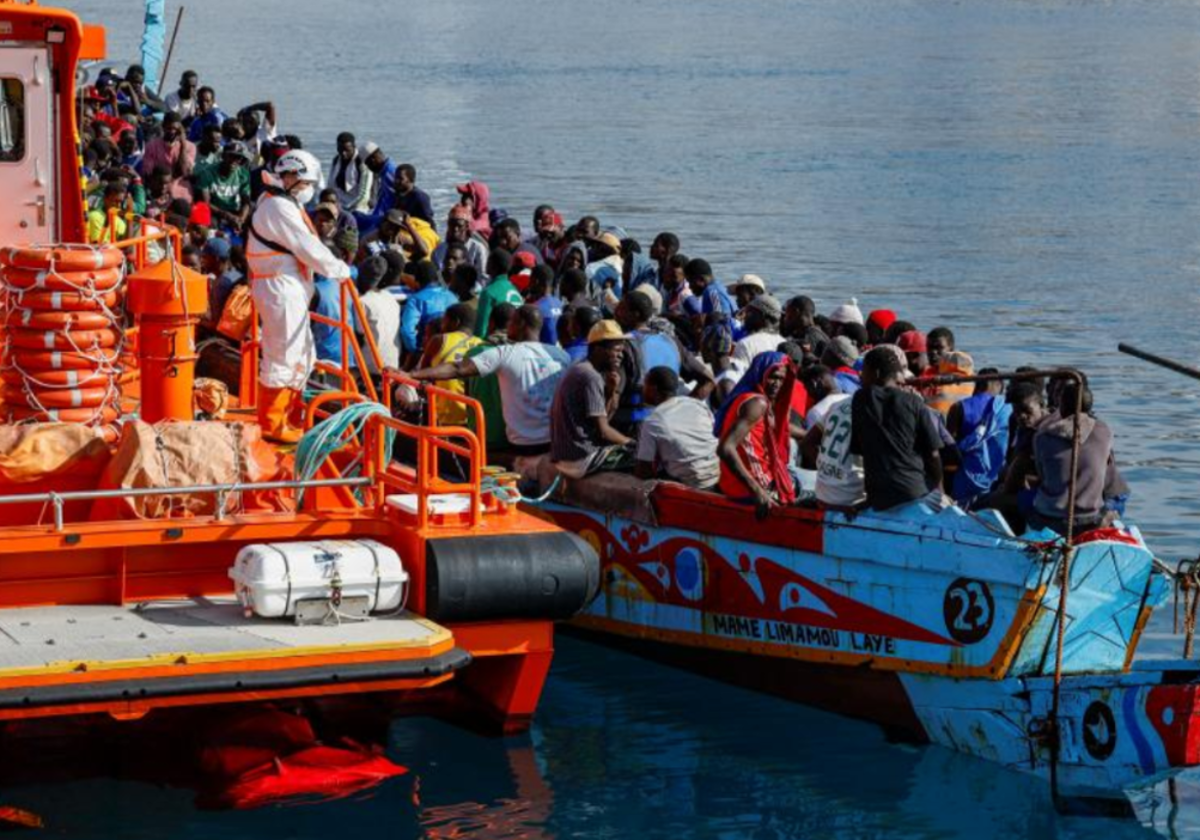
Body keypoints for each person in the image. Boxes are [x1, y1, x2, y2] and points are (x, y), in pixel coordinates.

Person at [246, 149, 351, 442]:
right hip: (280, 289)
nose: (308, 191)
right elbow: (307, 246)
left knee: (303, 354)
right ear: (290, 176)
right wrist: (338, 269)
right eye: (305, 184)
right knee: (283, 356)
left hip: (287, 288)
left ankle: (288, 416)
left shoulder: (282, 202)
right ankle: (271, 422)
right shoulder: (278, 207)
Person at [412, 305, 570, 456]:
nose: (508, 327)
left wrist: (412, 375)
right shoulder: (561, 356)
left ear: (521, 324)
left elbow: (457, 369)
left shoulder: (506, 353)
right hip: (555, 445)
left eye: (512, 322)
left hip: (522, 447)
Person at [850, 346, 944, 511]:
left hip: (879, 499)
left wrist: (870, 499)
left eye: (864, 371)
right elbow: (933, 455)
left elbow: (864, 453)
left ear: (876, 374)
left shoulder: (860, 400)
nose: (860, 376)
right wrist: (937, 489)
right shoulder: (914, 402)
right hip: (914, 494)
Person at [1030, 380, 1127, 536]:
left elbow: (1042, 475)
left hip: (1051, 518)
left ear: (1062, 406)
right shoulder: (1105, 431)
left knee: (1021, 501)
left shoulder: (1042, 436)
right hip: (1091, 518)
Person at [550, 320, 636, 479]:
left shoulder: (582, 368)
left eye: (622, 351)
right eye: (616, 350)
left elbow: (604, 421)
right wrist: (631, 443)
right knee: (643, 459)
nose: (621, 355)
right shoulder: (590, 376)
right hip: (581, 458)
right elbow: (604, 432)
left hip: (569, 455)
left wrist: (612, 391)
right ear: (597, 349)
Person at [715, 352, 797, 516]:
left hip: (734, 482)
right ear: (761, 374)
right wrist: (757, 491)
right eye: (773, 377)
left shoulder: (750, 398)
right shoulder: (757, 403)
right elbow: (725, 448)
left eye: (781, 379)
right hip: (751, 487)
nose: (777, 384)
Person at [635, 367, 720, 490]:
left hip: (694, 486)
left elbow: (643, 472)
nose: (642, 389)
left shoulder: (653, 421)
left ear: (653, 389)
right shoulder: (697, 404)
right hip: (719, 474)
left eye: (645, 385)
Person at [946, 370, 1011, 506]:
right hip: (996, 474)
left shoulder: (959, 407)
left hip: (965, 476)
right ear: (998, 385)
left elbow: (949, 446)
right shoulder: (1008, 408)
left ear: (978, 383)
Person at [413, 304, 482, 427]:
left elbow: (424, 373)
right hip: (475, 417)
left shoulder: (439, 340)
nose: (442, 326)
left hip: (447, 416)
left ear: (455, 322)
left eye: (444, 321)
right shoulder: (481, 344)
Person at [400, 260, 458, 359]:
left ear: (417, 281)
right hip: (451, 351)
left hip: (427, 352)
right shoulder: (452, 296)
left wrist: (415, 351)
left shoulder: (416, 299)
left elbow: (407, 331)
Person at [355, 254, 401, 375]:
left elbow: (358, 336)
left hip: (372, 367)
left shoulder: (362, 302)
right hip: (393, 363)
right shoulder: (390, 297)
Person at [194, 141, 252, 231]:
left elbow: (246, 202)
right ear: (223, 156)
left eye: (238, 158)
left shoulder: (243, 174)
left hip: (234, 211)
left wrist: (241, 219)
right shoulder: (207, 173)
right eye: (231, 156)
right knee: (205, 217)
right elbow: (206, 203)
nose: (234, 161)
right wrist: (227, 216)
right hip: (215, 211)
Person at [139, 112, 194, 200]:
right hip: (158, 190)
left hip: (180, 191)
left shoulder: (190, 147)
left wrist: (183, 145)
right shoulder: (152, 145)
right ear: (163, 126)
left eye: (175, 129)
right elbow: (148, 174)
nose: (172, 132)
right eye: (169, 128)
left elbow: (184, 172)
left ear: (180, 129)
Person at [474, 250, 524, 339]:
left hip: (494, 344)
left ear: (494, 266)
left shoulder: (489, 292)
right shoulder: (516, 292)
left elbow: (481, 329)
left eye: (489, 261)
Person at [730, 295, 784, 376]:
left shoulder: (746, 345)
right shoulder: (783, 342)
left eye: (749, 312)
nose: (744, 317)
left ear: (761, 316)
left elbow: (737, 379)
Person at [434, 205, 489, 279]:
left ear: (466, 226)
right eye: (452, 225)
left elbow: (482, 276)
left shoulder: (477, 248)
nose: (455, 229)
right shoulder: (440, 249)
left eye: (459, 226)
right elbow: (437, 275)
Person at [354, 143, 399, 234]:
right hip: (379, 216)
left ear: (373, 160)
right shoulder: (383, 173)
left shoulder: (389, 173)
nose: (369, 168)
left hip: (386, 220)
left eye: (368, 164)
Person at [329, 132, 373, 212]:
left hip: (358, 206)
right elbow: (330, 186)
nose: (343, 154)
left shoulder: (362, 162)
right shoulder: (336, 160)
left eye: (347, 150)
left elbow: (364, 195)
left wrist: (347, 208)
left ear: (354, 147)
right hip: (338, 203)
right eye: (340, 150)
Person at [526, 264, 563, 346]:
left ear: (536, 281)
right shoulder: (561, 304)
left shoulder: (535, 309)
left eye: (530, 280)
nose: (529, 284)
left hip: (544, 353)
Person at [393, 164, 435, 228]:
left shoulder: (420, 198)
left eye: (400, 178)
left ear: (411, 180)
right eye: (395, 178)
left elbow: (429, 223)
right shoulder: (398, 194)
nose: (396, 181)